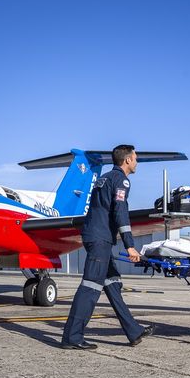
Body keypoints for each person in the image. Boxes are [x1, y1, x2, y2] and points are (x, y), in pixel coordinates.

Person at [61, 145, 152, 350]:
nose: (136, 162)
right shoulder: (121, 180)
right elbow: (120, 212)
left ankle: (133, 330)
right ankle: (72, 337)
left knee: (112, 284)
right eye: (135, 158)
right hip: (100, 240)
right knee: (90, 287)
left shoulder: (104, 178)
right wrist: (130, 245)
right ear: (127, 160)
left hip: (95, 236)